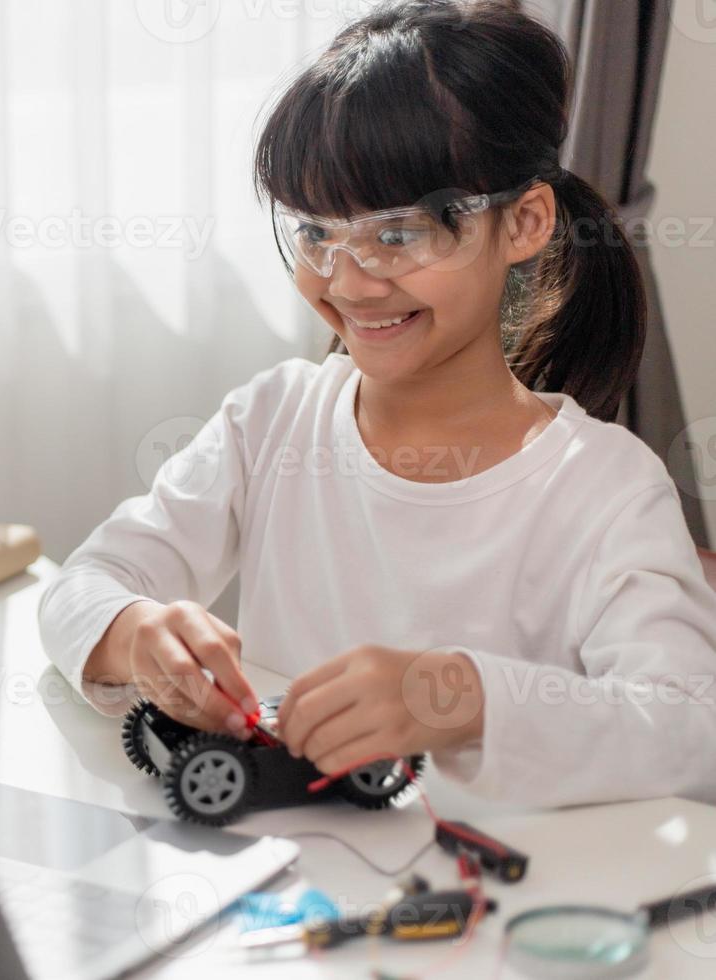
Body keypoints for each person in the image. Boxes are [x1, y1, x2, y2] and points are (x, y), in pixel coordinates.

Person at [37, 0, 716, 807]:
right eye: (317, 234)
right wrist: (132, 636)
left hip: (490, 901)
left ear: (525, 221)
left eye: (398, 235)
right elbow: (87, 582)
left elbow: (688, 731)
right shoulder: (273, 421)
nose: (348, 280)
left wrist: (459, 697)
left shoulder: (604, 487)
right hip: (294, 883)